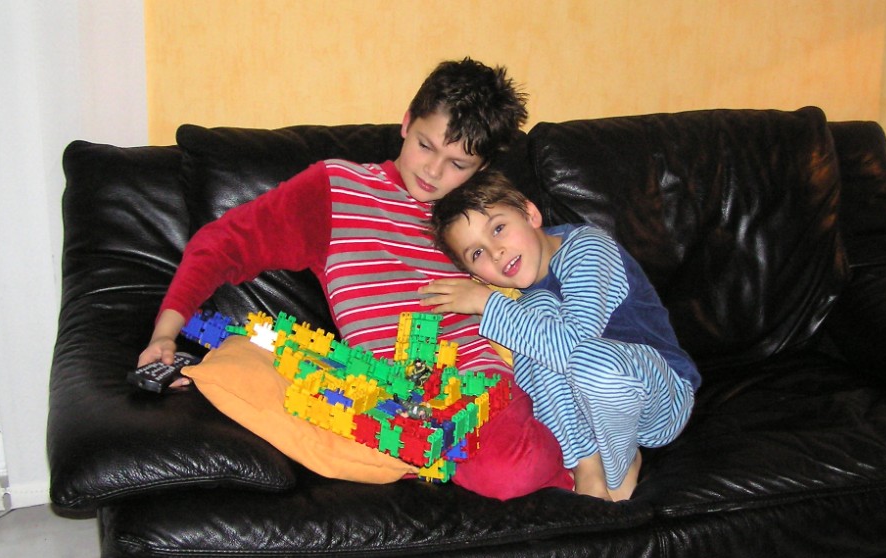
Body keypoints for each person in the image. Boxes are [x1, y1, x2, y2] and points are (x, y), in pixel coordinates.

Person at [137, 58, 574, 500]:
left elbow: (545, 266)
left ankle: (574, 469)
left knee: (507, 472)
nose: (433, 172)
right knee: (250, 371)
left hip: (477, 382)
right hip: (384, 394)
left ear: (480, 168)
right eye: (425, 145)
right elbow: (224, 244)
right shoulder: (337, 188)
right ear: (407, 122)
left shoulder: (476, 217)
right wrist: (165, 333)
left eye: (457, 164)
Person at [420, 170, 701, 501]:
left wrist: (487, 305)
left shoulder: (588, 248)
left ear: (530, 214)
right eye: (476, 254)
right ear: (475, 275)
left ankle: (619, 465)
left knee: (552, 331)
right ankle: (586, 464)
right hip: (589, 421)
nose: (495, 252)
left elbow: (575, 348)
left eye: (498, 229)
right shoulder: (516, 299)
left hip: (659, 398)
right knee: (535, 311)